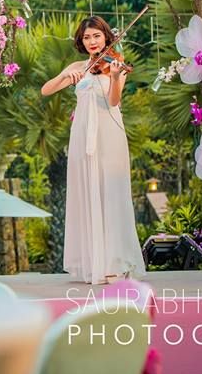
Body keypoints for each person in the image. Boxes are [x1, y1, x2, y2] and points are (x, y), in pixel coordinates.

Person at [41, 16, 146, 285]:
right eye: (87, 37)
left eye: (96, 36)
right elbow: (46, 90)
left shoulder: (114, 64)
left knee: (109, 192)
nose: (92, 42)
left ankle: (113, 262)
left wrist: (114, 77)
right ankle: (92, 263)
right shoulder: (78, 67)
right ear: (81, 40)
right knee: (87, 192)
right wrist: (66, 76)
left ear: (106, 37)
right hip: (81, 135)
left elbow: (114, 101)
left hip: (108, 133)